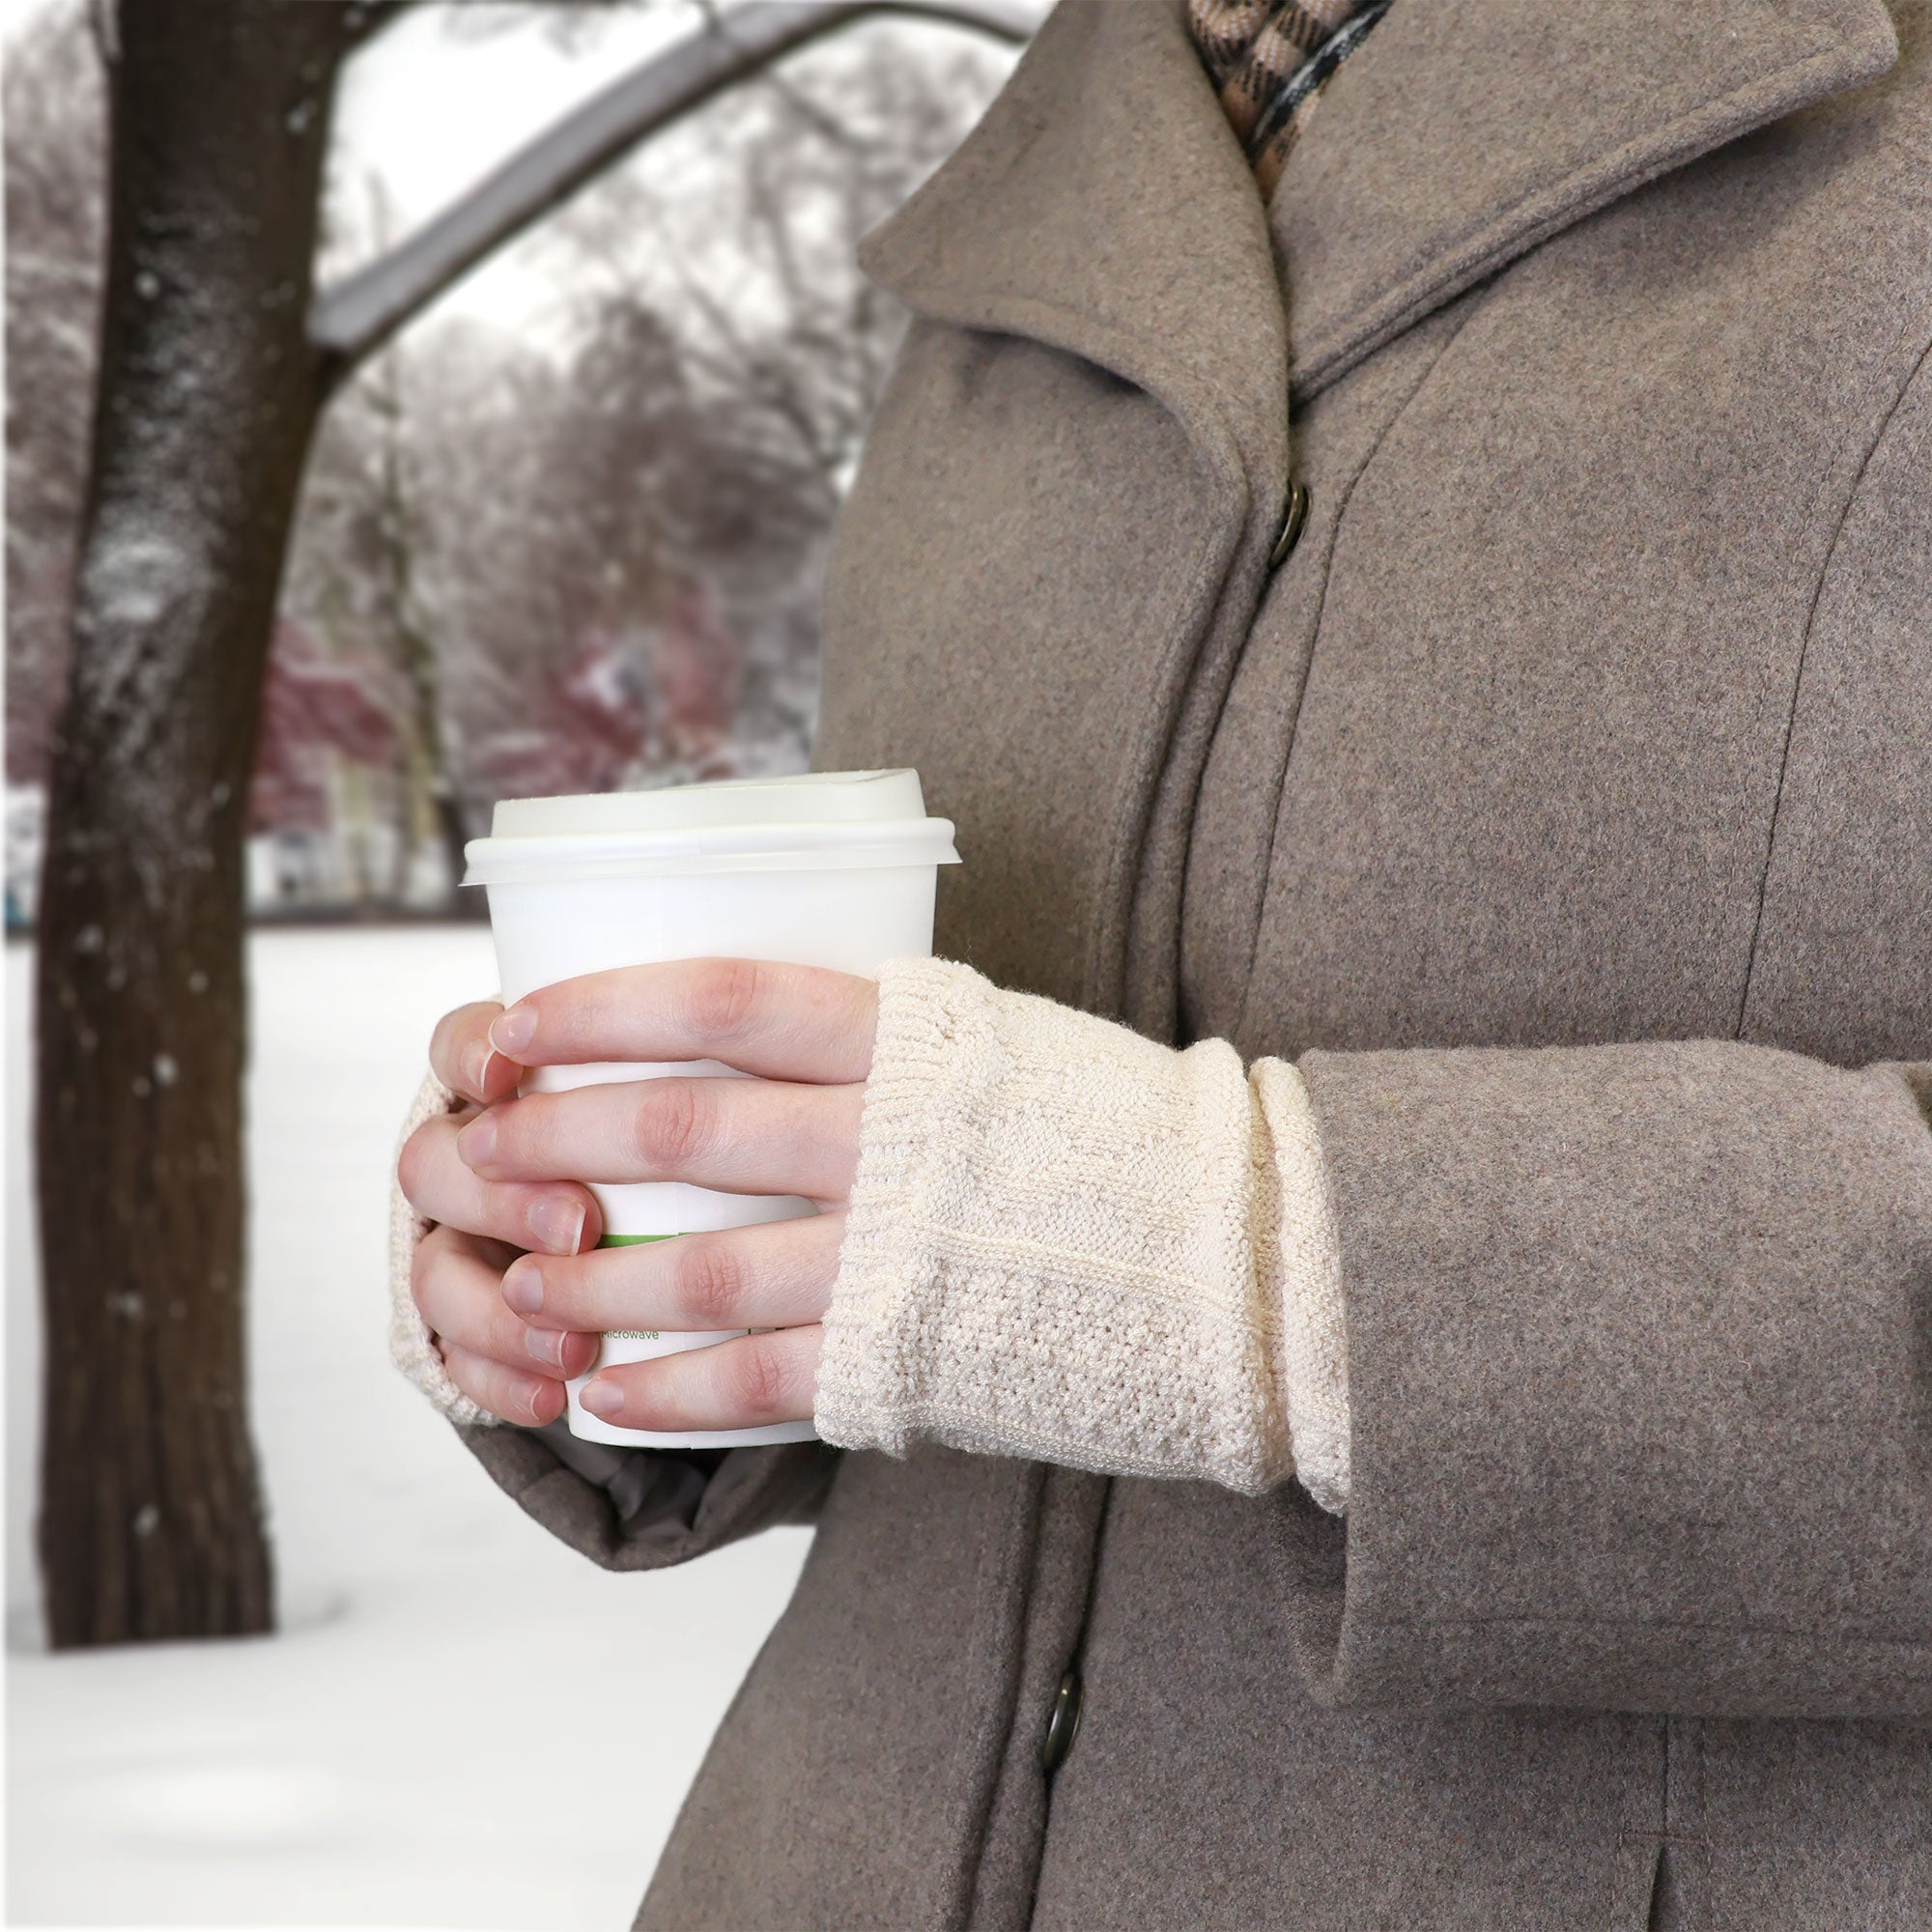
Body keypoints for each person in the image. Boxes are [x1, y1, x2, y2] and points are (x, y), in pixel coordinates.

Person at [390, 0, 1932, 1924]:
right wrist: (637, 1241)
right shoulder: (1016, 229)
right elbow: (970, 1237)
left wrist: (1265, 1270)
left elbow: (1128, 1239)